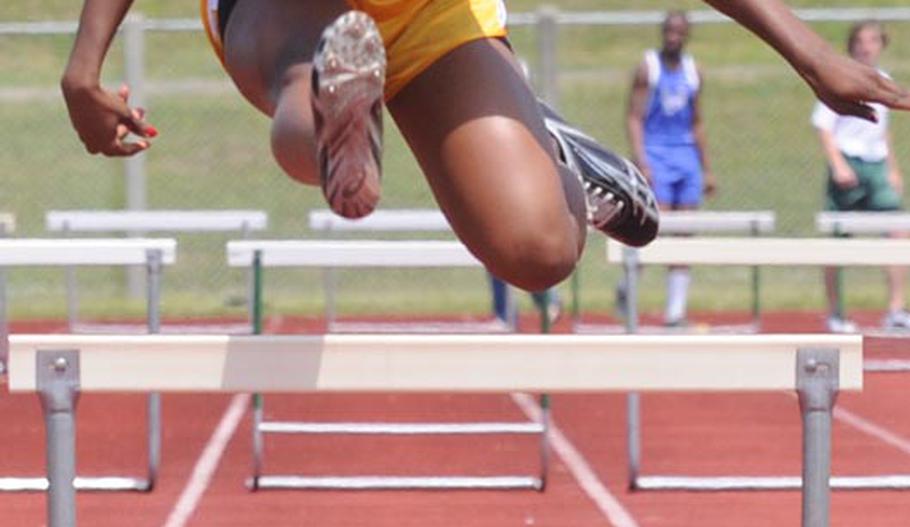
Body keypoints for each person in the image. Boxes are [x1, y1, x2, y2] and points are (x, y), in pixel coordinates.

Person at [61, 1, 910, 299]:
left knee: (539, 250)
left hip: (430, 12)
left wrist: (810, 52)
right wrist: (82, 67)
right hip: (288, 3)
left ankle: (555, 157)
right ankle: (335, 113)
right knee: (306, 70)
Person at [813, 21, 909, 333]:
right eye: (861, 41)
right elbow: (824, 126)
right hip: (849, 164)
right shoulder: (841, 77)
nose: (867, 47)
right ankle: (836, 313)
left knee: (898, 234)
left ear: (881, 45)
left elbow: (883, 133)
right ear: (852, 45)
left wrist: (893, 169)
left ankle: (895, 310)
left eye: (873, 41)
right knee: (838, 240)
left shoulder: (885, 80)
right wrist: (838, 164)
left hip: (876, 165)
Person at [626, 11, 714, 327]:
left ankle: (675, 311)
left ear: (687, 35)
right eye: (668, 31)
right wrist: (642, 160)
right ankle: (629, 289)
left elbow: (697, 121)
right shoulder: (648, 67)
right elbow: (634, 117)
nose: (673, 37)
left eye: (679, 32)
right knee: (654, 228)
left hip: (686, 155)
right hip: (656, 152)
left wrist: (707, 168)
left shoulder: (694, 71)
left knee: (685, 233)